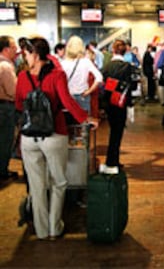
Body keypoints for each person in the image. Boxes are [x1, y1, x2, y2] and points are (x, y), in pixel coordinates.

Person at [15, 36, 97, 240]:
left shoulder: (23, 77)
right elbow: (67, 102)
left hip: (28, 137)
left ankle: (41, 231)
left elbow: (18, 104)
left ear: (35, 54)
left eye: (26, 53)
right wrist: (86, 118)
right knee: (59, 182)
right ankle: (54, 227)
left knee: (37, 185)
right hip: (54, 134)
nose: (25, 57)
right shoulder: (57, 75)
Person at [101, 39, 137, 170]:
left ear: (113, 50)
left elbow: (102, 84)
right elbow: (132, 86)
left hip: (109, 102)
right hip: (121, 102)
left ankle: (112, 160)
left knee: (113, 131)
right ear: (125, 51)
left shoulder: (106, 67)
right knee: (118, 132)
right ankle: (112, 160)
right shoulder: (127, 67)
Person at [61, 35, 103, 114]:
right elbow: (99, 77)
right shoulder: (86, 61)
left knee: (70, 122)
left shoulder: (63, 63)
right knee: (84, 121)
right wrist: (89, 91)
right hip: (83, 96)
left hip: (68, 97)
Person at [0, 35, 18, 180]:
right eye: (13, 47)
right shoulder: (5, 66)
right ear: (6, 49)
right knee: (5, 140)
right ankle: (2, 171)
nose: (16, 50)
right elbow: (12, 91)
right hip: (5, 108)